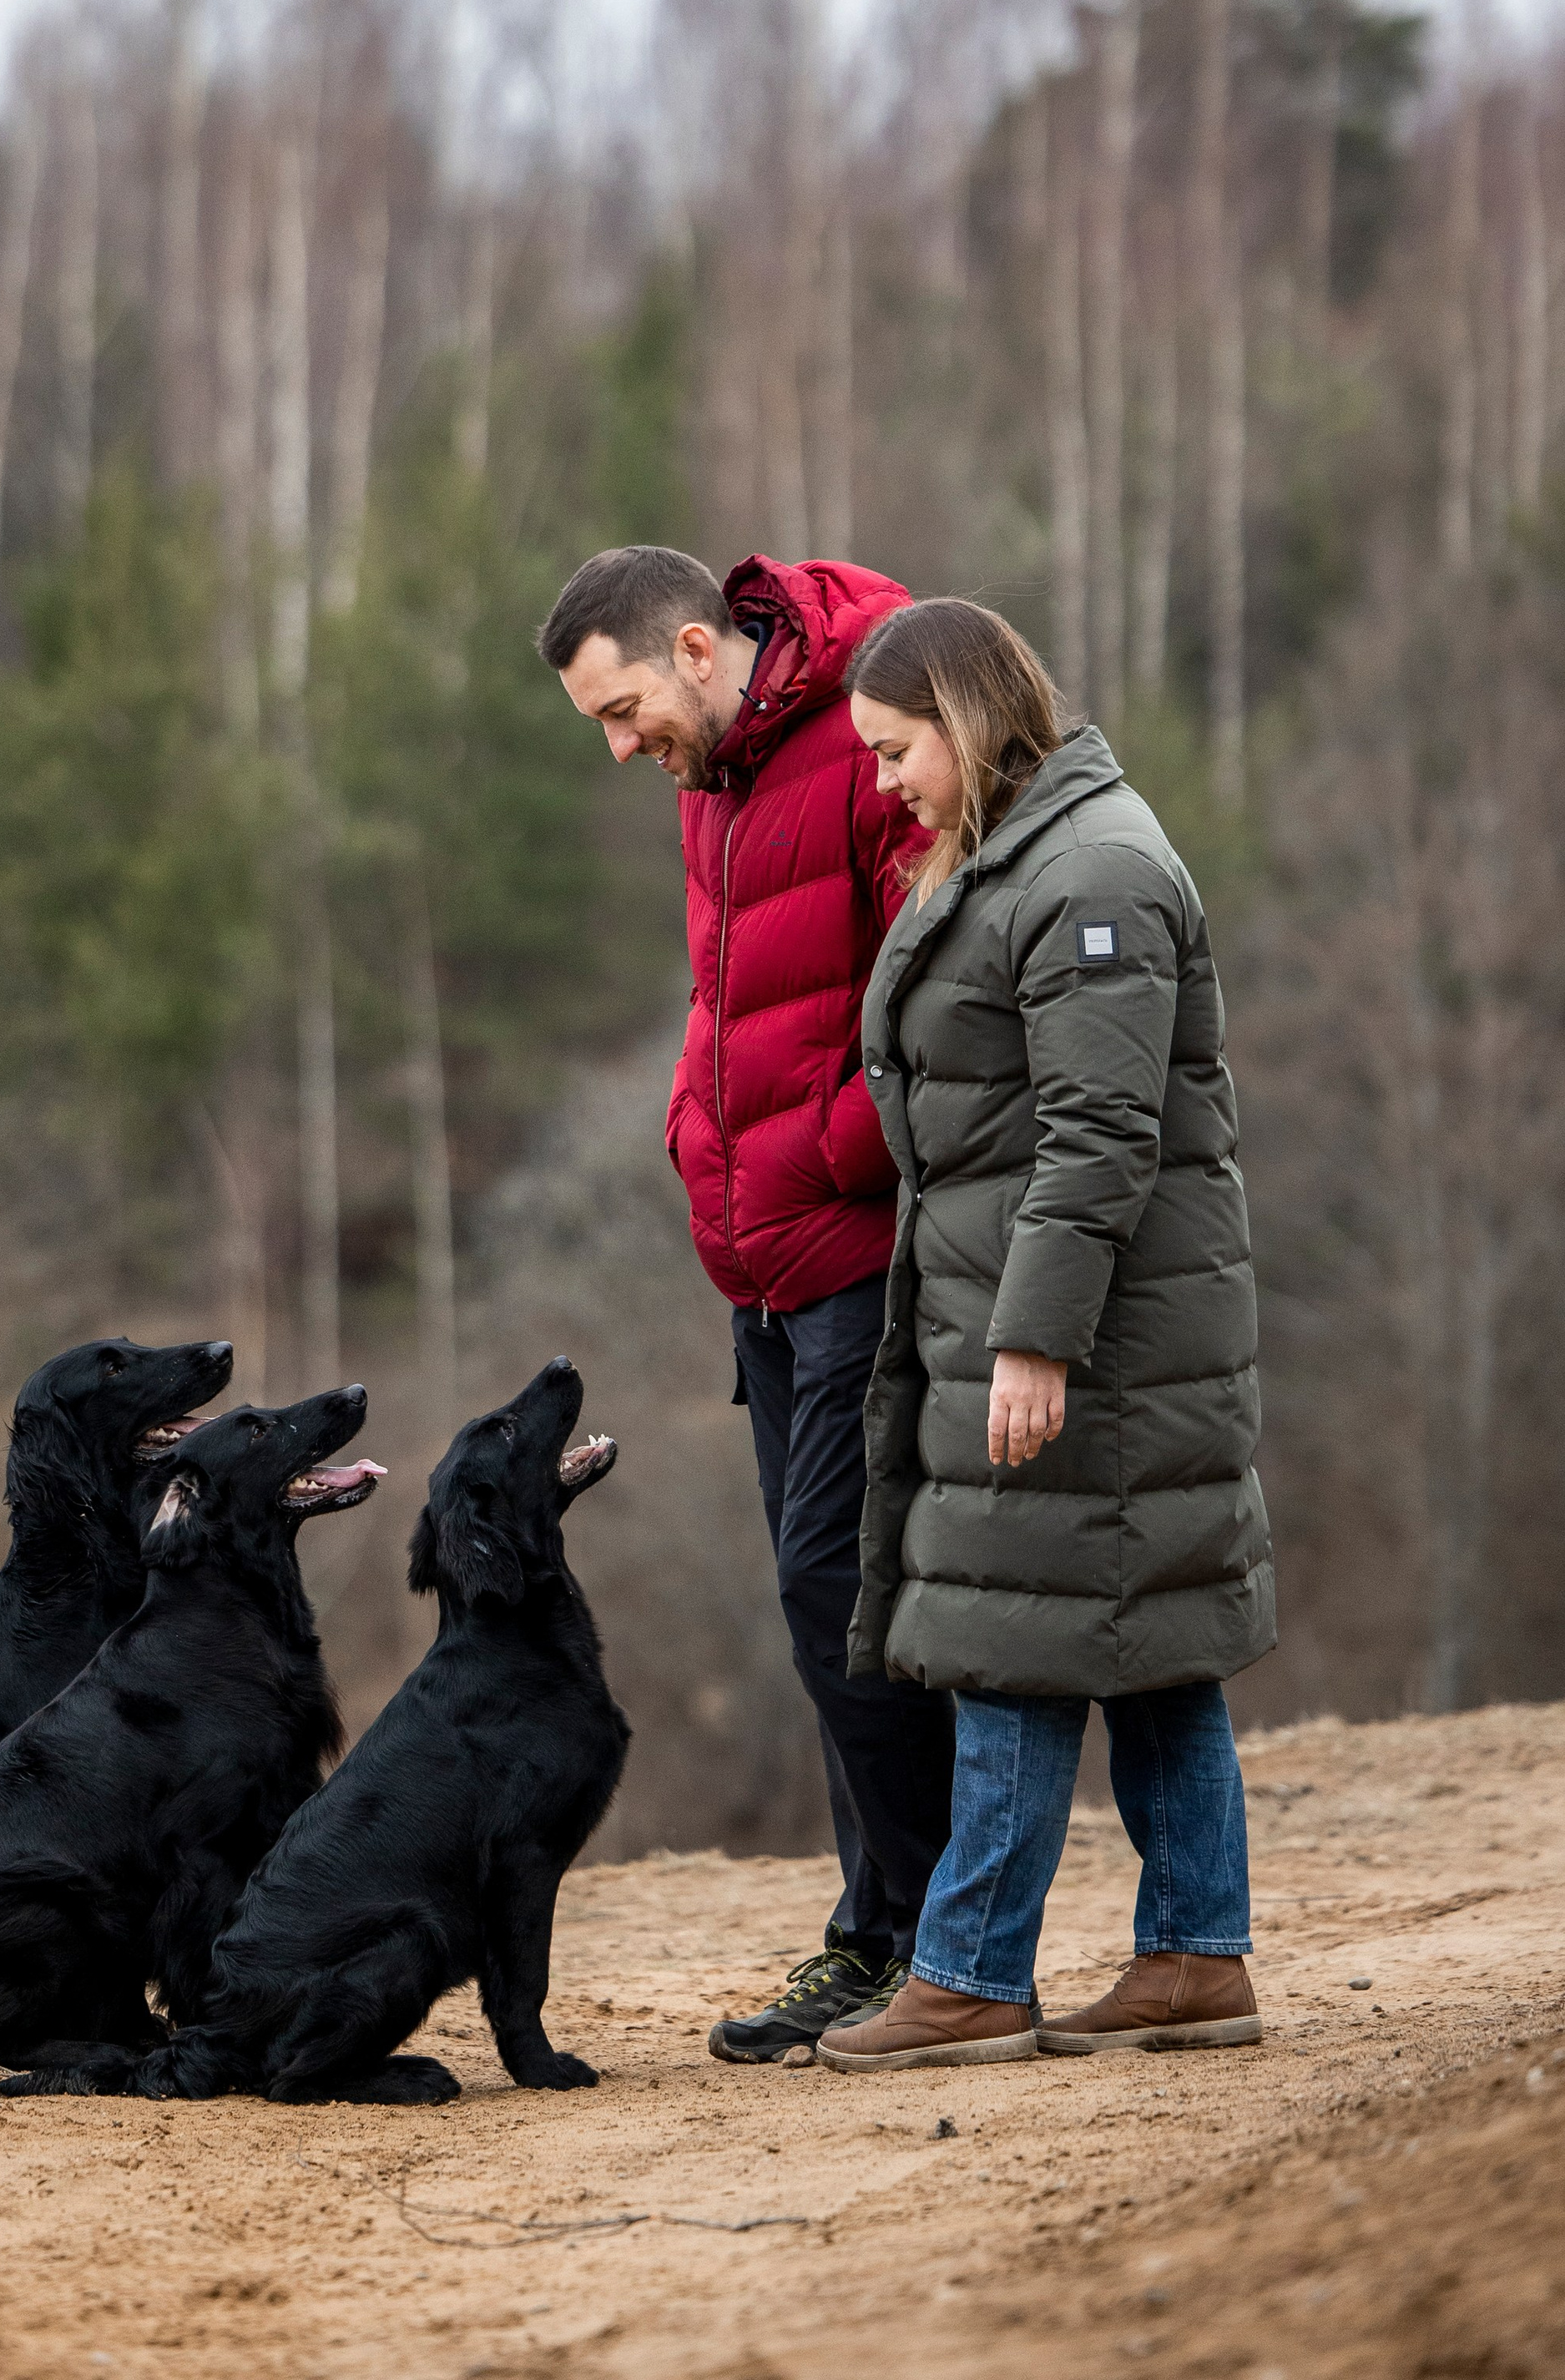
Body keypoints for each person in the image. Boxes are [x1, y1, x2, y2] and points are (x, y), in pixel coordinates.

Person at [815, 597, 1275, 2073]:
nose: (886, 782)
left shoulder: (1096, 874)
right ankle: (1198, 1955)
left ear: (962, 718)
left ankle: (970, 1971)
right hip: (1051, 1313)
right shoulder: (1026, 851)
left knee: (1011, 1628)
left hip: (1095, 1339)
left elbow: (1098, 1134)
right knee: (1148, 1636)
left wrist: (1035, 1341)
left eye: (896, 752)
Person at [538, 543, 957, 2063]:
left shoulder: (868, 730)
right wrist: (698, 1138)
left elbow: (937, 990)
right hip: (762, 1269)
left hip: (855, 1251)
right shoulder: (709, 775)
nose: (620, 740)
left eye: (628, 704)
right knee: (823, 1605)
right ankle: (886, 1929)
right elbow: (734, 1004)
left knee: (841, 1595)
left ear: (704, 650)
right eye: (600, 719)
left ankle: (927, 1945)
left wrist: (823, 1157)